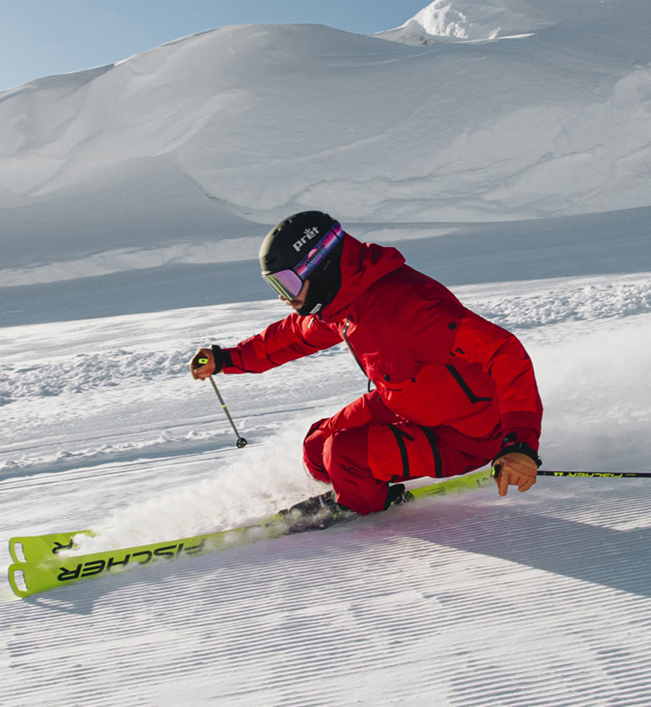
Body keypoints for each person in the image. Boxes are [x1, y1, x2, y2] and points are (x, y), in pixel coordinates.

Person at [190, 211, 542, 518]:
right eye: (275, 285)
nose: (284, 297)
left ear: (322, 266)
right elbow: (295, 336)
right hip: (407, 402)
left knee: (343, 453)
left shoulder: (410, 309)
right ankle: (359, 485)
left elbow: (505, 354)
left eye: (288, 282)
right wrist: (226, 359)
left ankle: (361, 505)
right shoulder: (345, 301)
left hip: (466, 434)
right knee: (317, 447)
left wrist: (520, 445)